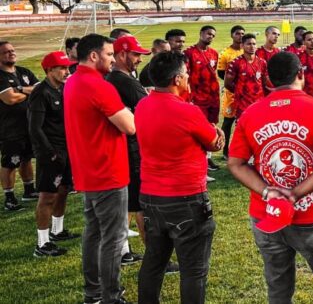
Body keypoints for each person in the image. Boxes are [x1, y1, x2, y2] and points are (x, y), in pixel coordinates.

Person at [228, 51, 313, 304]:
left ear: (268, 80)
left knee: (278, 287)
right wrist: (294, 194)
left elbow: (235, 164)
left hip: (266, 213)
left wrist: (268, 192)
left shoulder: (250, 113)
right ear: (300, 74)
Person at [135, 51, 223, 304]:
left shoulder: (143, 105)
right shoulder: (187, 111)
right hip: (186, 198)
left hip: (151, 196)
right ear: (176, 79)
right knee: (194, 269)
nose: (188, 78)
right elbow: (214, 143)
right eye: (185, 74)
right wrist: (218, 134)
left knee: (154, 261)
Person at [65, 34, 136, 304]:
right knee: (113, 238)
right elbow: (130, 126)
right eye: (108, 54)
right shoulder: (98, 85)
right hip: (108, 171)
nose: (112, 59)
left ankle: (93, 293)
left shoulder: (73, 80)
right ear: (94, 55)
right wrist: (127, 111)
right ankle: (111, 296)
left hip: (88, 169)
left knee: (93, 233)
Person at [106, 35, 151, 266]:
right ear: (122, 54)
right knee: (142, 205)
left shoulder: (115, 79)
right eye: (136, 54)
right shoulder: (124, 81)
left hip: (123, 149)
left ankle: (124, 251)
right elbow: (149, 111)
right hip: (132, 150)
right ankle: (155, 260)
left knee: (129, 203)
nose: (139, 59)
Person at [29, 52, 77, 257]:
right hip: (52, 152)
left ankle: (57, 231)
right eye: (62, 68)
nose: (67, 72)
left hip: (66, 149)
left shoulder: (63, 88)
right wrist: (50, 153)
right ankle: (42, 243)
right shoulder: (41, 92)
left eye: (68, 67)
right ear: (49, 70)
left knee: (63, 189)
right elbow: (35, 128)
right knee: (48, 195)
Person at [0, 41, 39, 211]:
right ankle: (9, 198)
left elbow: (39, 90)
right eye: (6, 52)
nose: (11, 53)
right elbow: (10, 99)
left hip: (28, 124)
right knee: (10, 162)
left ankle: (29, 190)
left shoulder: (24, 72)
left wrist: (19, 88)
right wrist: (27, 92)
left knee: (26, 158)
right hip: (9, 127)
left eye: (12, 50)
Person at [185, 26, 222, 175]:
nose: (210, 37)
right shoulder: (189, 53)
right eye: (208, 34)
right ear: (201, 34)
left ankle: (208, 158)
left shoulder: (214, 53)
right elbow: (186, 76)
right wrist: (190, 97)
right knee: (200, 129)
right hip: (198, 98)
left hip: (213, 97)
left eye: (213, 35)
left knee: (212, 126)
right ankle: (199, 160)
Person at [224, 33, 270, 119]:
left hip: (259, 103)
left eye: (254, 44)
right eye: (249, 44)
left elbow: (265, 82)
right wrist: (240, 92)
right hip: (242, 105)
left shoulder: (262, 62)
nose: (252, 46)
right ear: (242, 46)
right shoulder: (235, 63)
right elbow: (227, 84)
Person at [218, 25, 245, 160]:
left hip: (246, 95)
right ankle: (224, 150)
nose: (240, 36)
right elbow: (221, 73)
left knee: (244, 122)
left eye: (242, 34)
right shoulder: (225, 53)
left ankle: (242, 151)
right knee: (228, 122)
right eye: (237, 33)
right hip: (231, 94)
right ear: (232, 35)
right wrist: (235, 85)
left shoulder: (248, 50)